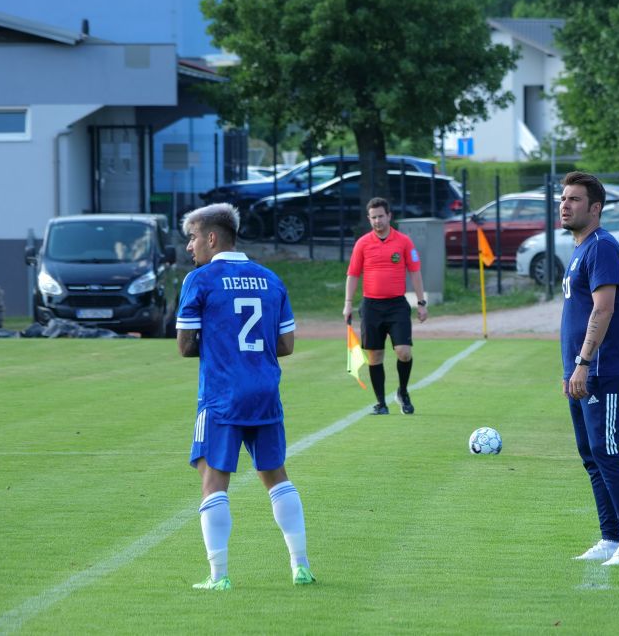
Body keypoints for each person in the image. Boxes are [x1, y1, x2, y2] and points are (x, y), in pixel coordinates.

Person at [176, 203, 314, 590]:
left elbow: (185, 346)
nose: (189, 246)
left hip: (222, 395)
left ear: (212, 238)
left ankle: (218, 575)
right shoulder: (271, 279)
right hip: (265, 392)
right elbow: (286, 344)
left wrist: (221, 347)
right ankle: (301, 565)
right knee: (276, 476)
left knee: (213, 480)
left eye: (193, 237)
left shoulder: (200, 280)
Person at [559, 171, 619, 567]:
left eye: (575, 199)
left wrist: (583, 362)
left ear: (595, 208)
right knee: (590, 453)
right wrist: (570, 370)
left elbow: (603, 309)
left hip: (603, 368)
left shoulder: (601, 247)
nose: (565, 205)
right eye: (563, 198)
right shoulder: (581, 248)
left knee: (606, 449)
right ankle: (611, 535)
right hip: (581, 370)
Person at [343, 197, 429, 415]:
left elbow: (415, 272)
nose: (377, 221)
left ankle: (402, 391)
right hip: (371, 306)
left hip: (397, 305)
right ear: (368, 219)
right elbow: (353, 274)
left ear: (389, 216)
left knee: (404, 352)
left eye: (381, 216)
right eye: (373, 217)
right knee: (375, 356)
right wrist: (348, 304)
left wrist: (421, 303)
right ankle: (381, 403)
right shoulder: (362, 243)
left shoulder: (404, 242)